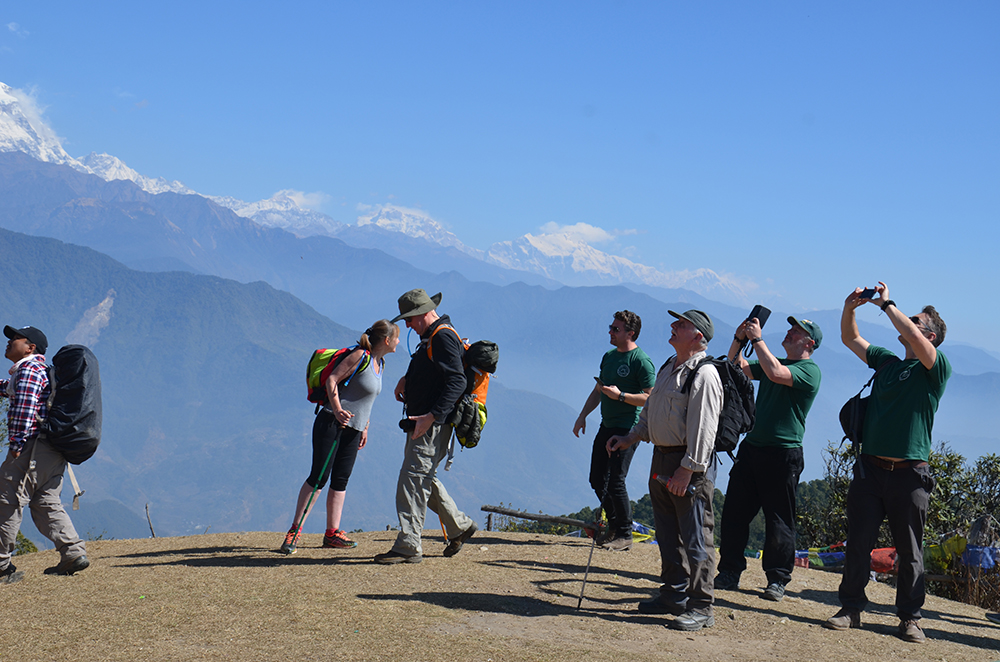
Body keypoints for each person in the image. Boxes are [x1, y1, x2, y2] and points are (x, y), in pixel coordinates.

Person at [824, 282, 950, 644]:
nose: (905, 323)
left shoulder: (935, 369)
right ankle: (850, 609)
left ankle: (910, 618)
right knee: (858, 542)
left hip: (910, 474)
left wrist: (886, 304)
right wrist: (849, 308)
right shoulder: (888, 363)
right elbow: (852, 339)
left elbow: (907, 330)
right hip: (870, 469)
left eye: (914, 322)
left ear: (929, 336)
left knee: (910, 551)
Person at [607, 310, 723, 631]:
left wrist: (688, 470)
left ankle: (702, 606)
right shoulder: (668, 367)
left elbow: (704, 430)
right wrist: (631, 437)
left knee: (696, 536)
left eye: (681, 325)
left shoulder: (704, 375)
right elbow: (652, 411)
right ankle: (673, 594)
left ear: (698, 336)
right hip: (661, 458)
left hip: (687, 466)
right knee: (668, 534)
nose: (673, 326)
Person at [714, 315, 822, 601]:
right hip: (753, 448)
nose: (788, 333)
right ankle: (729, 571)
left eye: (796, 332)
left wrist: (758, 340)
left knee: (779, 521)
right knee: (735, 513)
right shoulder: (779, 362)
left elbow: (774, 373)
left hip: (784, 453)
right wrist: (739, 339)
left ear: (809, 343)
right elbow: (739, 368)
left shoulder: (810, 370)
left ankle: (777, 579)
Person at [375, 289, 477, 564]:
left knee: (412, 480)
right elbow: (435, 372)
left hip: (430, 424)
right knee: (422, 477)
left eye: (409, 318)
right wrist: (407, 380)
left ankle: (409, 545)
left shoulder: (442, 336)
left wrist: (432, 416)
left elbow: (457, 382)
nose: (406, 324)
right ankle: (459, 526)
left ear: (422, 313)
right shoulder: (434, 335)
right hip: (424, 421)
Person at [280, 320, 400, 554]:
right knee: (319, 477)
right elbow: (331, 380)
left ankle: (332, 533)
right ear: (386, 340)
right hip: (331, 423)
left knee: (341, 480)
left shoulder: (380, 363)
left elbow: (366, 399)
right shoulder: (360, 356)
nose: (398, 342)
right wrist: (336, 409)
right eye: (396, 338)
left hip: (354, 429)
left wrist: (365, 426)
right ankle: (294, 532)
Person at [0, 325, 88, 583]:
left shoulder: (28, 370)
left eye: (15, 338)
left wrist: (16, 444)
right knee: (45, 501)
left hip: (30, 447)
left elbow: (25, 409)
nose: (8, 342)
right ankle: (72, 553)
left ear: (31, 347)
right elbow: (14, 389)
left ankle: (1, 565)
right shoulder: (38, 371)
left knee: (6, 501)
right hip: (52, 449)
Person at [573, 310, 655, 551]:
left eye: (615, 329)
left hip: (628, 427)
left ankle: (625, 533)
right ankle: (615, 527)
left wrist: (621, 396)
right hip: (606, 425)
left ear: (630, 333)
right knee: (596, 479)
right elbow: (599, 389)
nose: (610, 331)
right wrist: (582, 415)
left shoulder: (641, 361)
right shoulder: (609, 356)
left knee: (616, 480)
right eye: (611, 327)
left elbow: (650, 398)